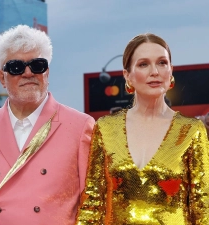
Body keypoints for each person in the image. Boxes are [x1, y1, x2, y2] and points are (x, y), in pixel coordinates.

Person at [0, 25, 95, 224]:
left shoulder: (80, 127)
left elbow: (92, 203)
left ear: (47, 73)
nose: (28, 73)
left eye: (37, 65)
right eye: (16, 67)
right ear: (2, 77)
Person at [76, 33, 209, 224]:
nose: (154, 71)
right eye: (143, 64)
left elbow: (203, 207)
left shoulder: (191, 130)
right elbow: (93, 203)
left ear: (171, 71)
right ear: (127, 75)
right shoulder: (105, 129)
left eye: (162, 62)